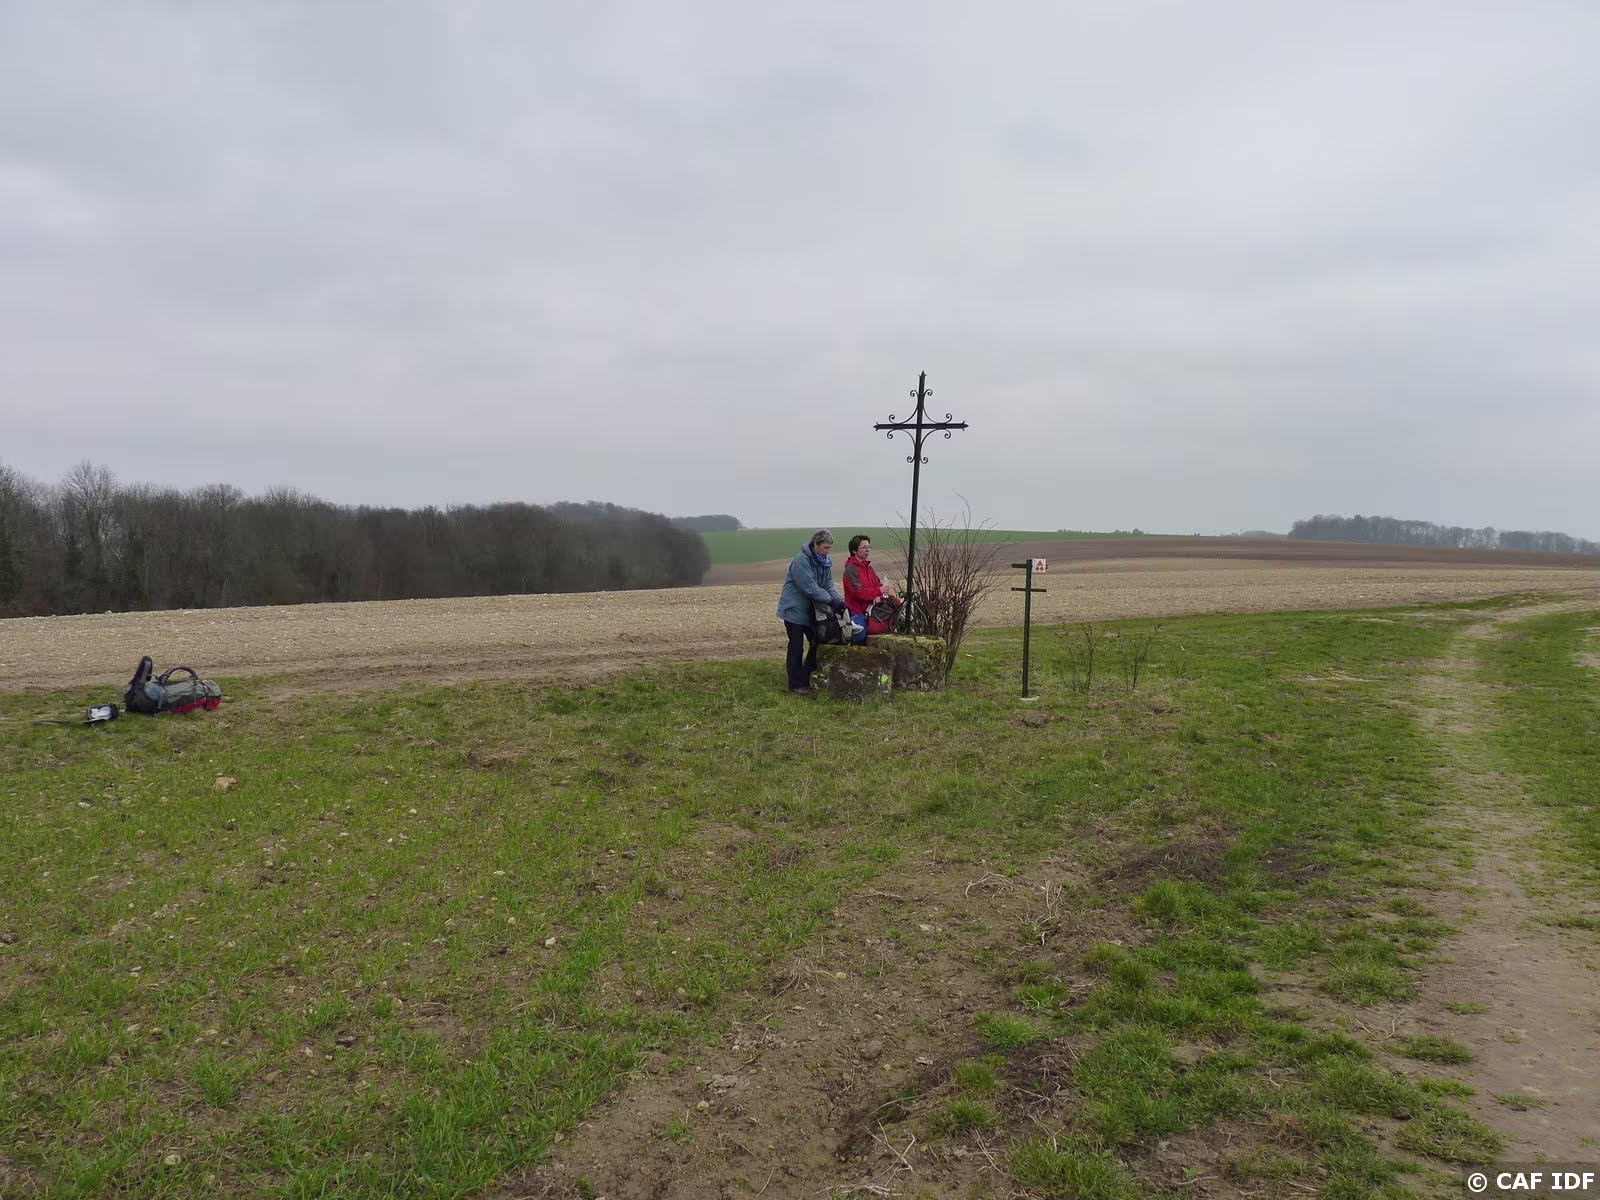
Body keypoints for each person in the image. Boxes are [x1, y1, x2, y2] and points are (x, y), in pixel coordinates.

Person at [776, 529, 847, 692]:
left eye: (829, 548)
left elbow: (828, 585)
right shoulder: (801, 561)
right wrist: (831, 601)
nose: (827, 552)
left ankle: (806, 676)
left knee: (817, 642)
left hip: (811, 612)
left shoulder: (825, 562)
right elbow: (809, 587)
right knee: (796, 647)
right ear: (816, 545)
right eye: (825, 548)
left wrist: (839, 602)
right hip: (794, 610)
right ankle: (795, 684)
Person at [842, 534, 902, 634]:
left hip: (872, 610)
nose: (867, 550)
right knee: (863, 634)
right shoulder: (851, 569)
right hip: (857, 612)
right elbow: (858, 592)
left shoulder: (868, 568)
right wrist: (879, 591)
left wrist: (878, 596)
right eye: (863, 547)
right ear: (854, 551)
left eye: (868, 547)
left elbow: (878, 585)